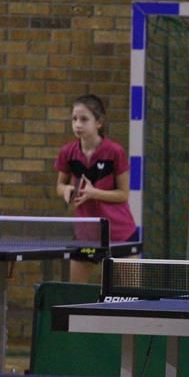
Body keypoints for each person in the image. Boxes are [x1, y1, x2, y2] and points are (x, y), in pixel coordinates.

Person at [54, 94, 138, 283]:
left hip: (119, 232)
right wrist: (66, 190)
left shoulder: (115, 152)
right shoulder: (67, 153)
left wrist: (93, 193)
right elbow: (59, 186)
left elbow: (123, 194)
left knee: (131, 294)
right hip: (86, 232)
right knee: (76, 293)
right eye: (74, 119)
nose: (78, 124)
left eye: (84, 119)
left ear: (99, 122)